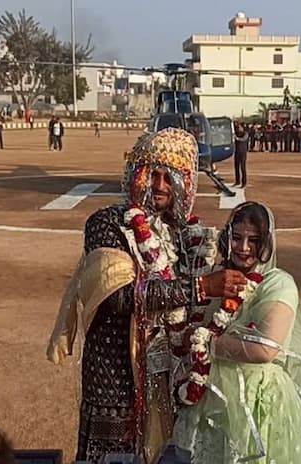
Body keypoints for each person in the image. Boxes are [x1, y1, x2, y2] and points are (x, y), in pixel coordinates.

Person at [46, 128, 248, 464]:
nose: (159, 187)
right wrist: (201, 287)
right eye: (150, 174)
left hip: (166, 375)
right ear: (133, 174)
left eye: (169, 178)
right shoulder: (107, 224)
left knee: (161, 452)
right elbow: (119, 298)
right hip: (114, 377)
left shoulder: (183, 234)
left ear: (185, 183)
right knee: (111, 457)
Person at [172, 202, 301, 464]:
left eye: (253, 240)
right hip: (213, 398)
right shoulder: (220, 279)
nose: (243, 248)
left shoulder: (278, 284)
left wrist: (206, 341)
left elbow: (264, 349)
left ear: (266, 243)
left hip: (258, 404)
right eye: (237, 238)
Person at [233, 124, 249, 188]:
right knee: (236, 167)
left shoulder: (245, 133)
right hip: (237, 152)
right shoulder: (236, 133)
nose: (238, 129)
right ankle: (237, 181)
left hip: (243, 152)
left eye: (239, 127)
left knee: (242, 167)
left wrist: (236, 138)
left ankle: (244, 183)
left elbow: (243, 139)